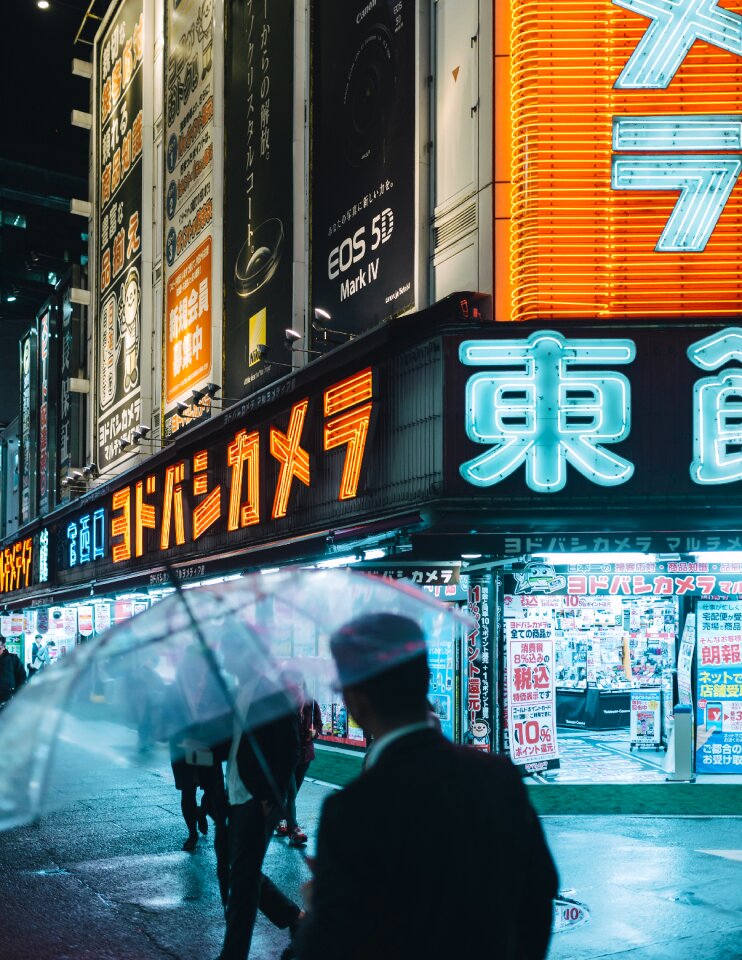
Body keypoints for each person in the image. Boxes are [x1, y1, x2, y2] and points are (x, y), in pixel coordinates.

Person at [294, 613, 558, 960]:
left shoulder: (351, 811)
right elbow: (539, 894)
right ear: (426, 679)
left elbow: (333, 944)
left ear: (356, 699)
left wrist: (317, 905)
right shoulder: (498, 775)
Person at [216, 636, 304, 960]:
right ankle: (294, 918)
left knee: (241, 880)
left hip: (255, 800)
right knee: (236, 872)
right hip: (234, 795)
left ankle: (233, 954)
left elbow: (290, 749)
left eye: (229, 650)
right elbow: (231, 744)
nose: (224, 658)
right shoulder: (234, 693)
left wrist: (269, 797)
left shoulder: (271, 693)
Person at [277, 675, 322, 847]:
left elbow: (319, 724)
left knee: (290, 793)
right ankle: (293, 830)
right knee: (291, 793)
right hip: (287, 755)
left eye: (298, 679)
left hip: (305, 755)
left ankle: (280, 818)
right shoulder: (283, 703)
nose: (295, 683)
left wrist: (315, 733)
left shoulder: (311, 702)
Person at [0, 637, 27, 709]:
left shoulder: (13, 659)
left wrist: (16, 693)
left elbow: (22, 677)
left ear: (4, 647)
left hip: (7, 697)